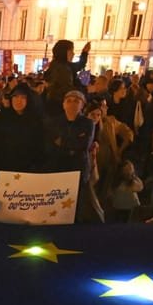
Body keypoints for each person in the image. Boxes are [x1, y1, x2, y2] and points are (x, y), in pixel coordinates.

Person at [43, 89, 103, 223]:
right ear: (63, 104)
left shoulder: (88, 124)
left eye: (76, 101)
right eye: (69, 101)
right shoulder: (54, 123)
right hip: (58, 167)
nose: (72, 104)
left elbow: (84, 145)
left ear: (82, 105)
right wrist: (72, 143)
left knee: (76, 205)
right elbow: (50, 145)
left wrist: (62, 142)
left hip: (78, 169)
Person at [0, 81, 44, 172]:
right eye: (15, 96)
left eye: (23, 97)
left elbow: (39, 148)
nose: (18, 100)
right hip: (4, 168)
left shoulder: (35, 120)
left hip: (28, 170)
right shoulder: (2, 118)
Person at [44, 39, 91, 111]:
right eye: (72, 51)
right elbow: (68, 90)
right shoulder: (62, 69)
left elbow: (78, 66)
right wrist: (84, 89)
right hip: (60, 108)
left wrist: (84, 53)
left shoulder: (60, 65)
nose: (73, 54)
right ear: (66, 52)